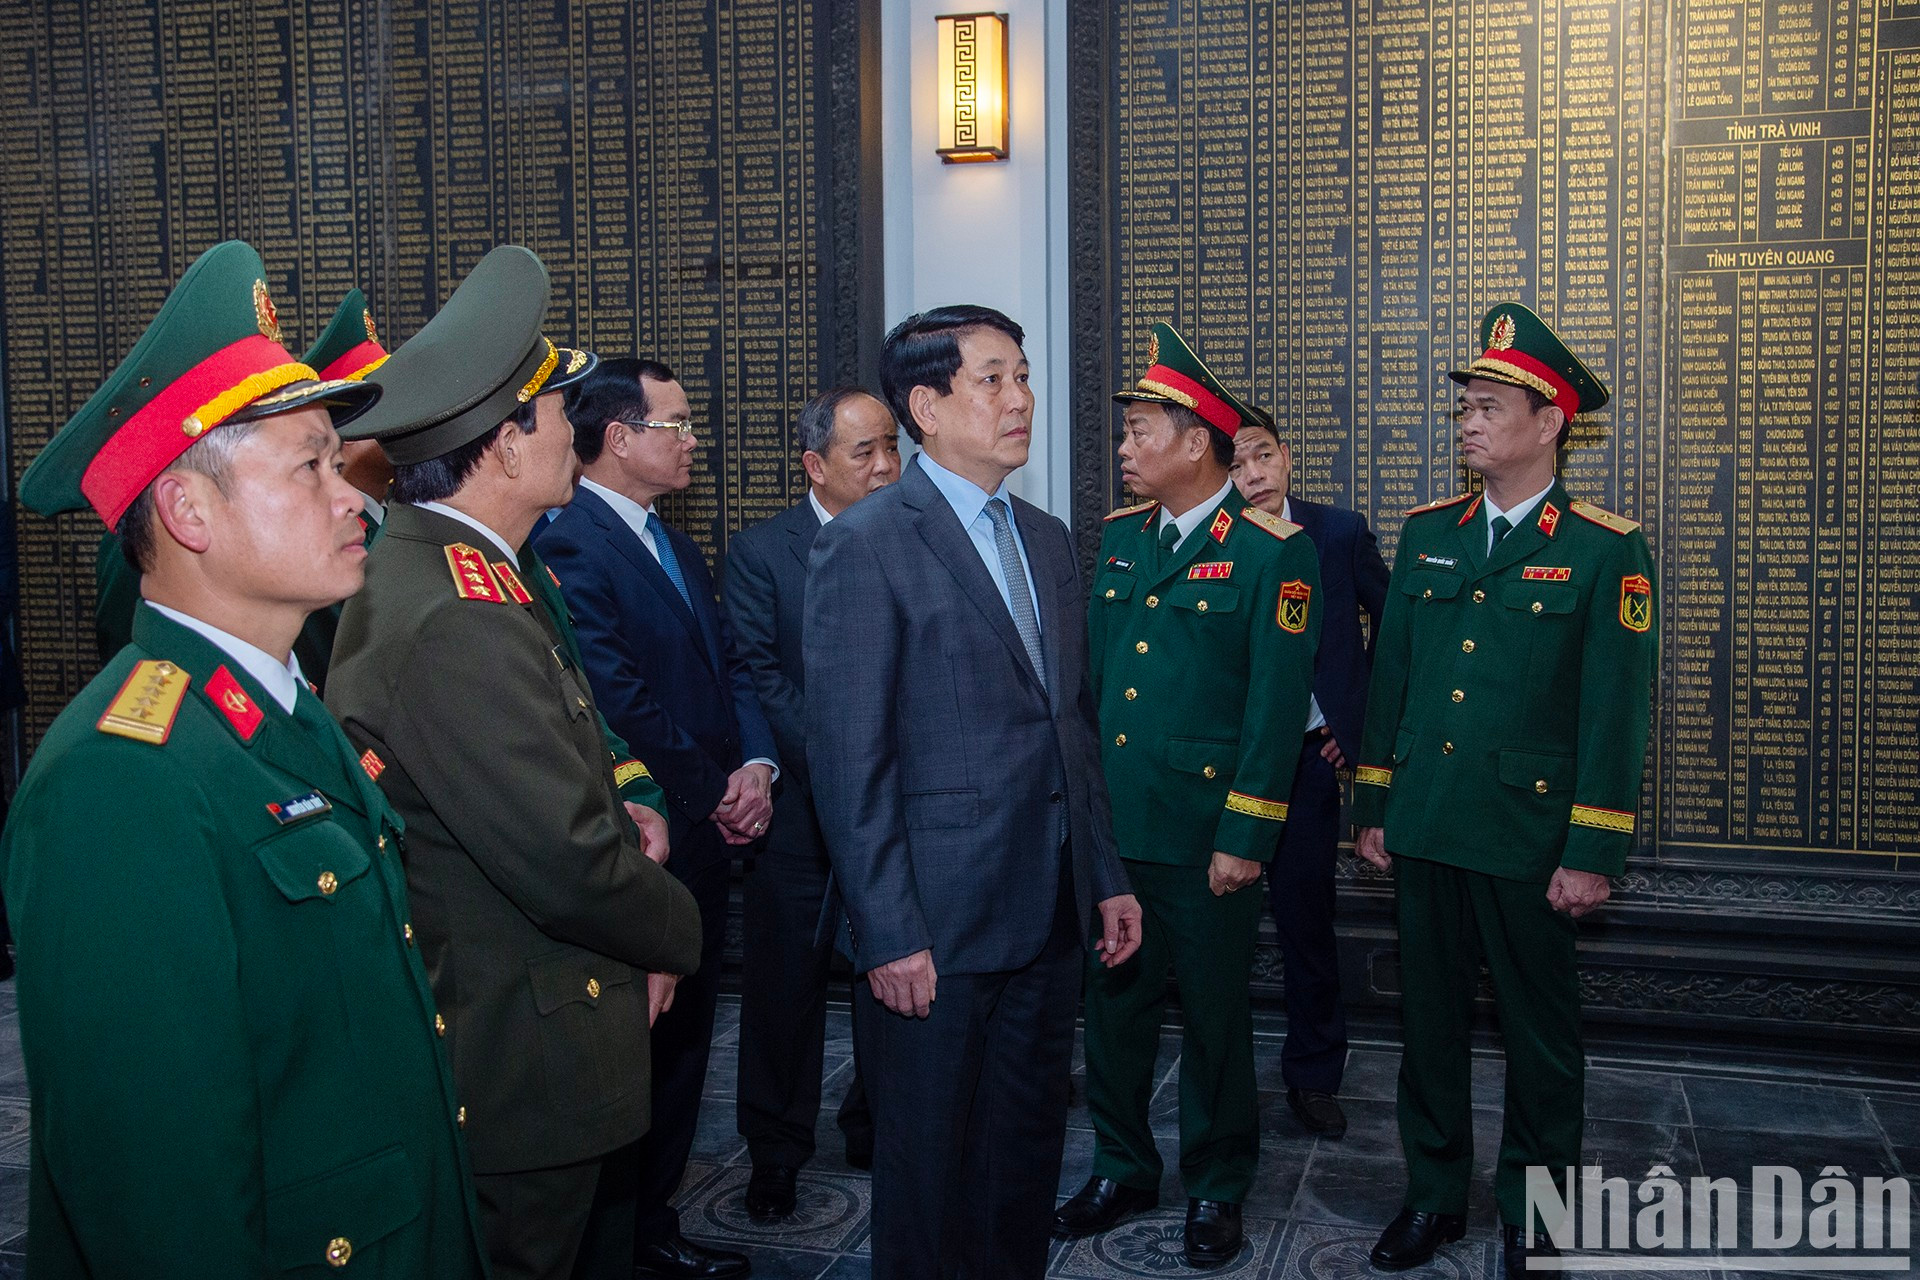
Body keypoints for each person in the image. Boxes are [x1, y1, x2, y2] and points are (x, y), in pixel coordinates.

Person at [2, 240, 486, 1274]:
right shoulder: (120, 779)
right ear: (188, 511)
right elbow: (158, 1200)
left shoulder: (282, 716)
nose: (355, 495)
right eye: (309, 465)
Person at [325, 245, 704, 1280]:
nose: (572, 434)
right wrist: (679, 926)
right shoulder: (455, 610)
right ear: (500, 444)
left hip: (531, 1022)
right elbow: (565, 857)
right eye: (553, 413)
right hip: (517, 1056)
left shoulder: (470, 571)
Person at [805, 304, 1143, 1280]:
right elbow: (849, 759)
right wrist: (889, 928)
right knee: (929, 1166)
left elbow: (1069, 721)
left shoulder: (1045, 539)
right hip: (934, 926)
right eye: (992, 379)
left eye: (1023, 375)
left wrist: (1105, 873)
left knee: (1023, 1157)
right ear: (926, 403)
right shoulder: (870, 543)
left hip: (1046, 911)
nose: (1021, 398)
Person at [1352, 303, 1657, 1279]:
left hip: (1530, 837)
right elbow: (1390, 677)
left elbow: (1615, 714)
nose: (1470, 424)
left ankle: (1541, 1208)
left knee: (1541, 1038)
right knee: (1429, 1030)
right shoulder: (1430, 534)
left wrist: (1592, 850)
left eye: (1489, 407)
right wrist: (1375, 806)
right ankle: (1433, 1194)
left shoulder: (1607, 548)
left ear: (1550, 420)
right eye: (1466, 410)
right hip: (1431, 824)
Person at [1056, 323, 1321, 1269]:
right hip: (1121, 830)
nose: (1123, 450)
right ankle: (1121, 1166)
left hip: (1210, 836)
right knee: (1115, 1011)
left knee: (1214, 1019)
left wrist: (1247, 834)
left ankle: (1216, 1184)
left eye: (1138, 433)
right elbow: (1093, 690)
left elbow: (1274, 709)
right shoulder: (1122, 541)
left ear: (1195, 441)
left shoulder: (1271, 553)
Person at [536, 357, 777, 1280]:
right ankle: (621, 1234)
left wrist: (754, 764)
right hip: (650, 833)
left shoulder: (670, 542)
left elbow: (728, 671)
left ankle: (653, 1222)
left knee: (683, 1041)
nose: (690, 442)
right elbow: (617, 697)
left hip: (708, 828)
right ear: (620, 438)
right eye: (674, 424)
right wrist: (713, 785)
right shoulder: (571, 543)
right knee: (640, 1043)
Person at [721, 386, 896, 1217]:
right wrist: (839, 761)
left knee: (889, 975)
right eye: (864, 453)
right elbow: (759, 672)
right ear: (815, 465)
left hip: (895, 813)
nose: (886, 467)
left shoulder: (915, 541)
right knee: (783, 990)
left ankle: (874, 1120)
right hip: (799, 816)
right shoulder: (762, 552)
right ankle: (777, 1148)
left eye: (893, 447)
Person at [1228, 409, 1391, 1139]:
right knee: (1218, 924)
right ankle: (1221, 1076)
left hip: (1305, 765)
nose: (1252, 475)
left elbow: (1396, 627)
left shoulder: (1337, 532)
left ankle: (1316, 1074)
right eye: (1235, 464)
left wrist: (1350, 727)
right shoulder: (1214, 538)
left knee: (1305, 923)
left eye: (1262, 456)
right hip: (1226, 763)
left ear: (1286, 457)